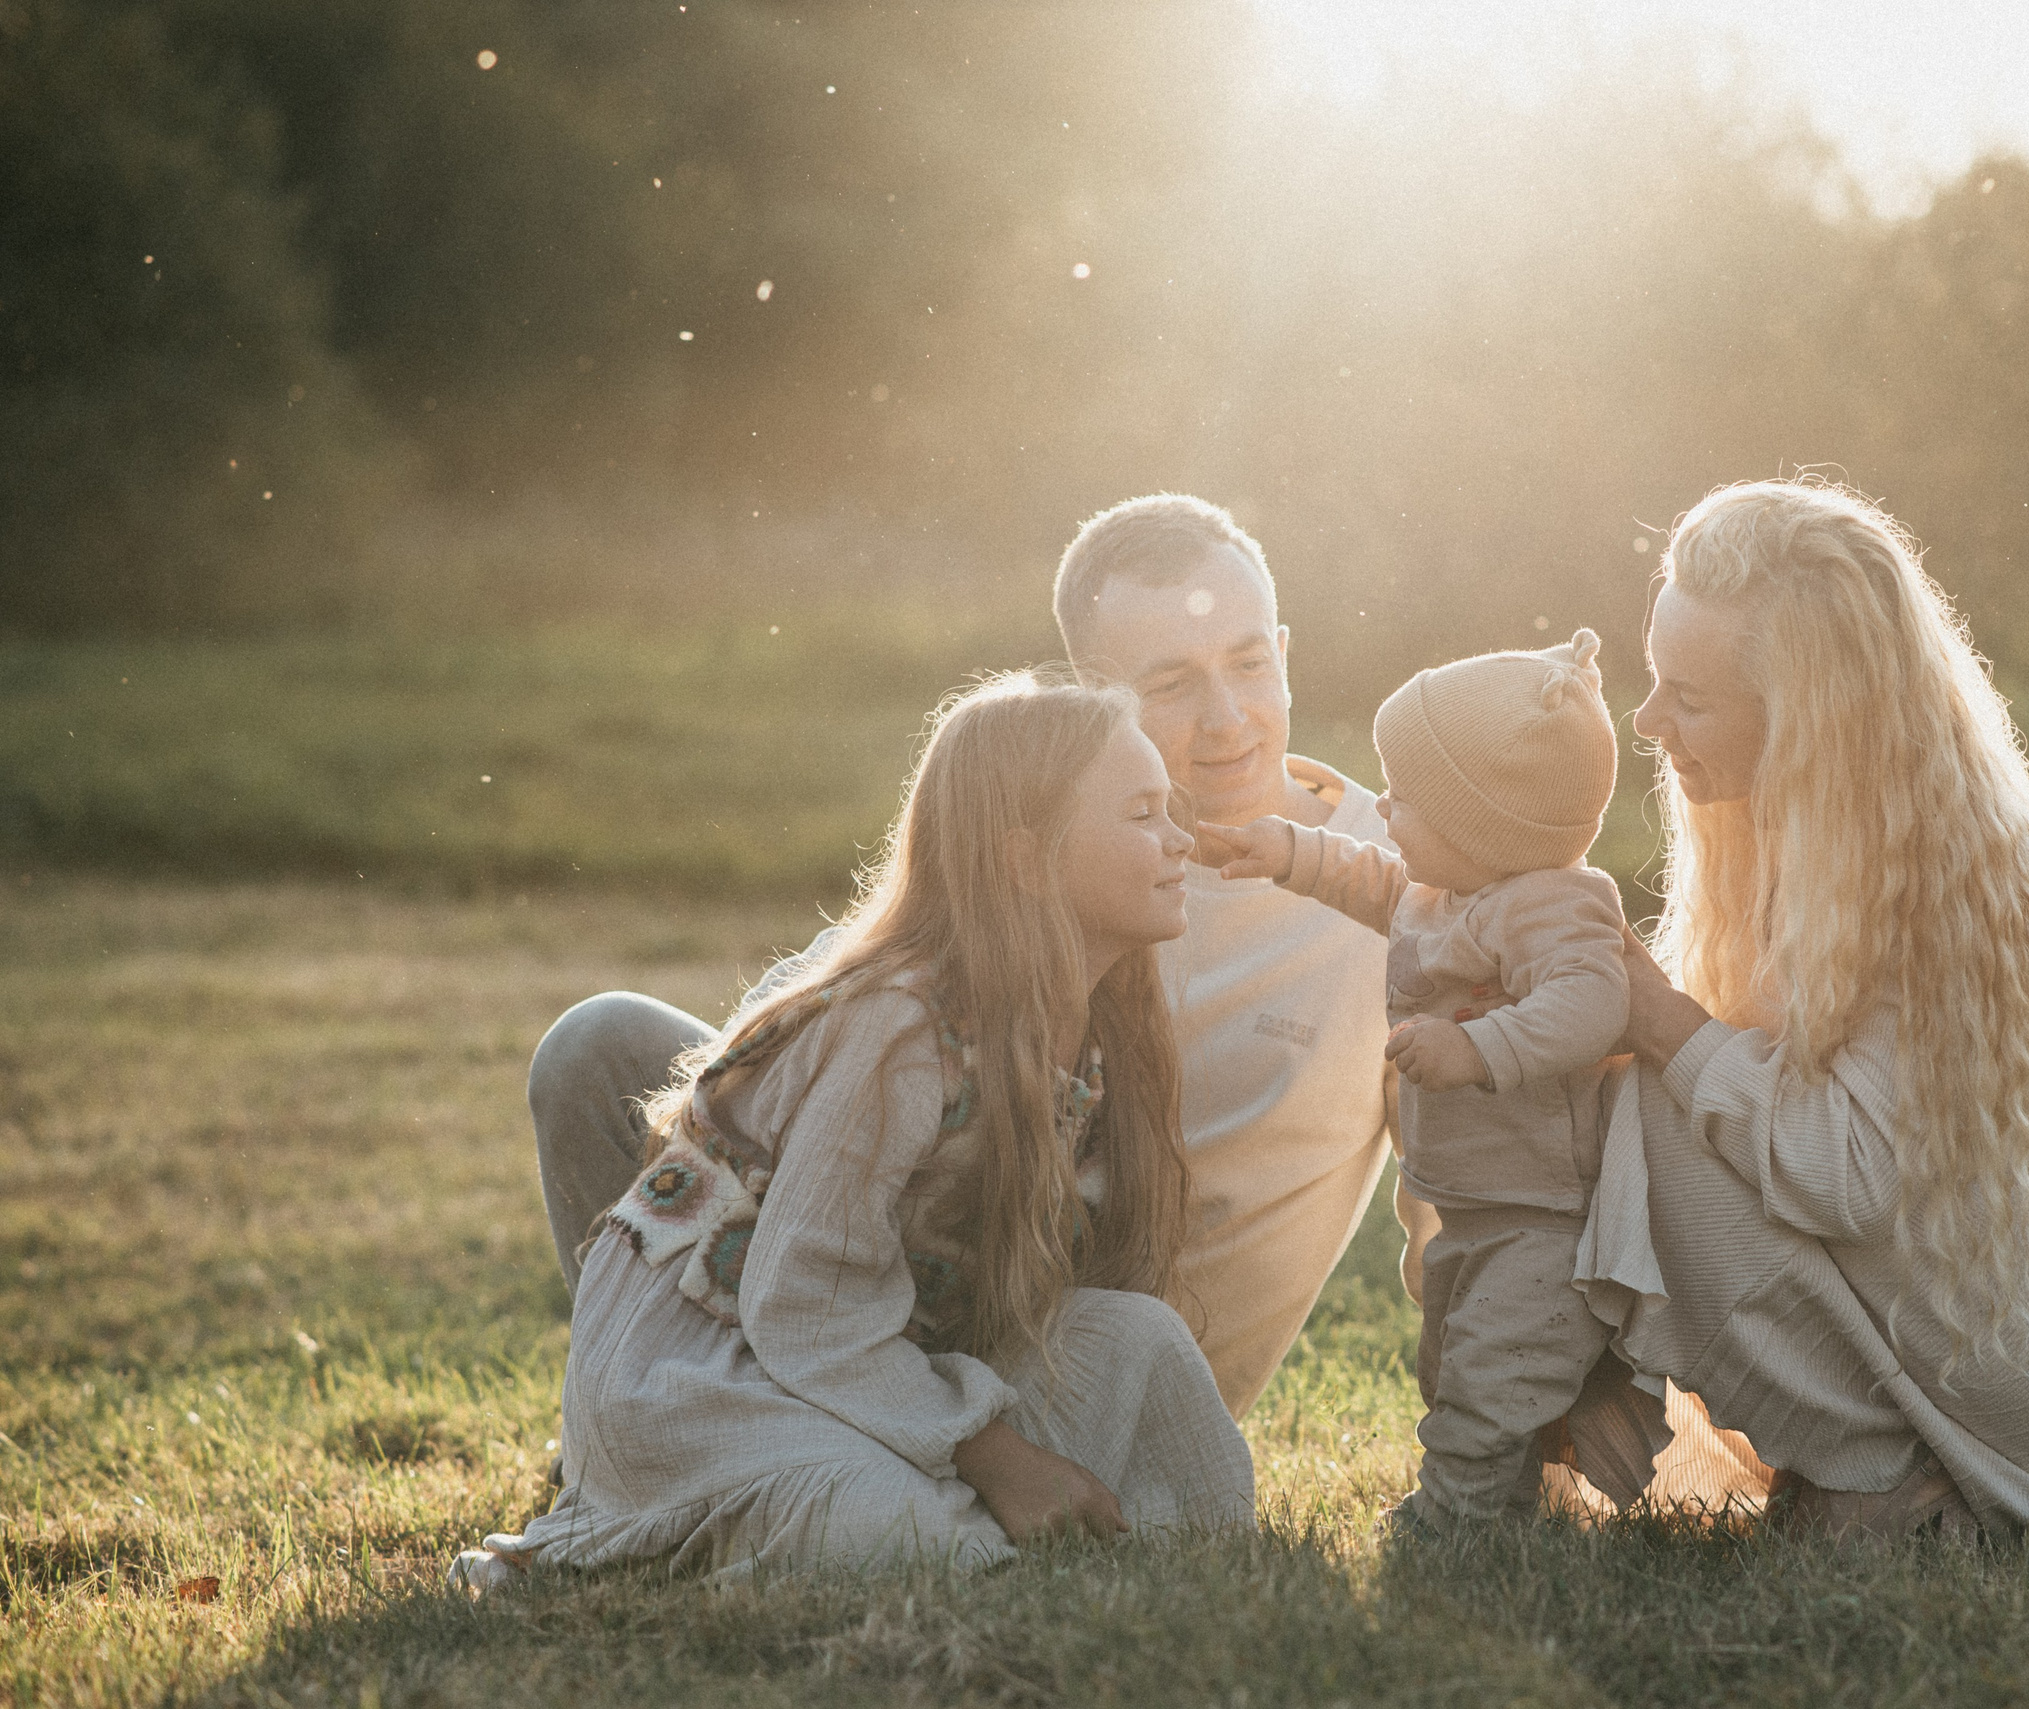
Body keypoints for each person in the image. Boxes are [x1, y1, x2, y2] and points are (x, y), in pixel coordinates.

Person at [527, 495, 1397, 1421]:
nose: (1227, 719)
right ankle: (634, 1412)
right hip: (926, 1271)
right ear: (1091, 697)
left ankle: (779, 1412)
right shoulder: (1049, 833)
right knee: (601, 1047)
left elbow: (1477, 1183)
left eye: (1250, 662)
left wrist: (1506, 1448)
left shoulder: (1393, 890)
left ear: (1287, 653)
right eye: (1172, 684)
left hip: (1088, 1358)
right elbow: (820, 1020)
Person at [452, 674, 1252, 1590]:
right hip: (716, 1366)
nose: (1179, 838)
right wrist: (1001, 1456)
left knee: (1142, 1343)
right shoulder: (900, 1031)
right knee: (890, 1532)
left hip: (891, 1362)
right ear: (1026, 860)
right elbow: (805, 1305)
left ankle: (1059, 1535)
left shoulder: (1109, 1034)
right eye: (1145, 814)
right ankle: (594, 1559)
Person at [1586, 477, 2029, 1541]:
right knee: (1654, 1090)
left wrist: (1657, 1020)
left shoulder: (1931, 874)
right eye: (1652, 678)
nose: (1646, 721)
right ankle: (1911, 1473)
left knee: (1658, 1108)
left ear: (1806, 721)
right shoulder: (1815, 829)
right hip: (2003, 1296)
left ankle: (1875, 1479)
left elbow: (1852, 1175)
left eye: (1690, 695)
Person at [1201, 629, 1635, 1527]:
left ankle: (1455, 1520)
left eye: (1410, 796)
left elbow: (1593, 1002)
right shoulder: (1445, 889)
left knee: (1494, 1373)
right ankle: (1508, 1502)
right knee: (1452, 1363)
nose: (1383, 804)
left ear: (1488, 825)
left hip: (1542, 1217)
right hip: (1470, 1205)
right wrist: (1288, 850)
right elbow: (1373, 882)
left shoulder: (1554, 904)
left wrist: (1476, 1049)